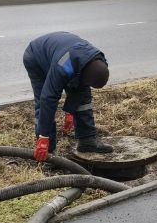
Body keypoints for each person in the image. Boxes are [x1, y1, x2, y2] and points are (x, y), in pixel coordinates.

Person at [23, 32, 113, 161]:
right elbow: (48, 98)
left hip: (67, 53)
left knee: (84, 97)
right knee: (43, 101)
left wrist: (70, 110)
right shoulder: (63, 66)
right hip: (36, 56)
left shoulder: (97, 60)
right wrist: (44, 136)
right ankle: (47, 151)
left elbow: (79, 88)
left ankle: (87, 141)